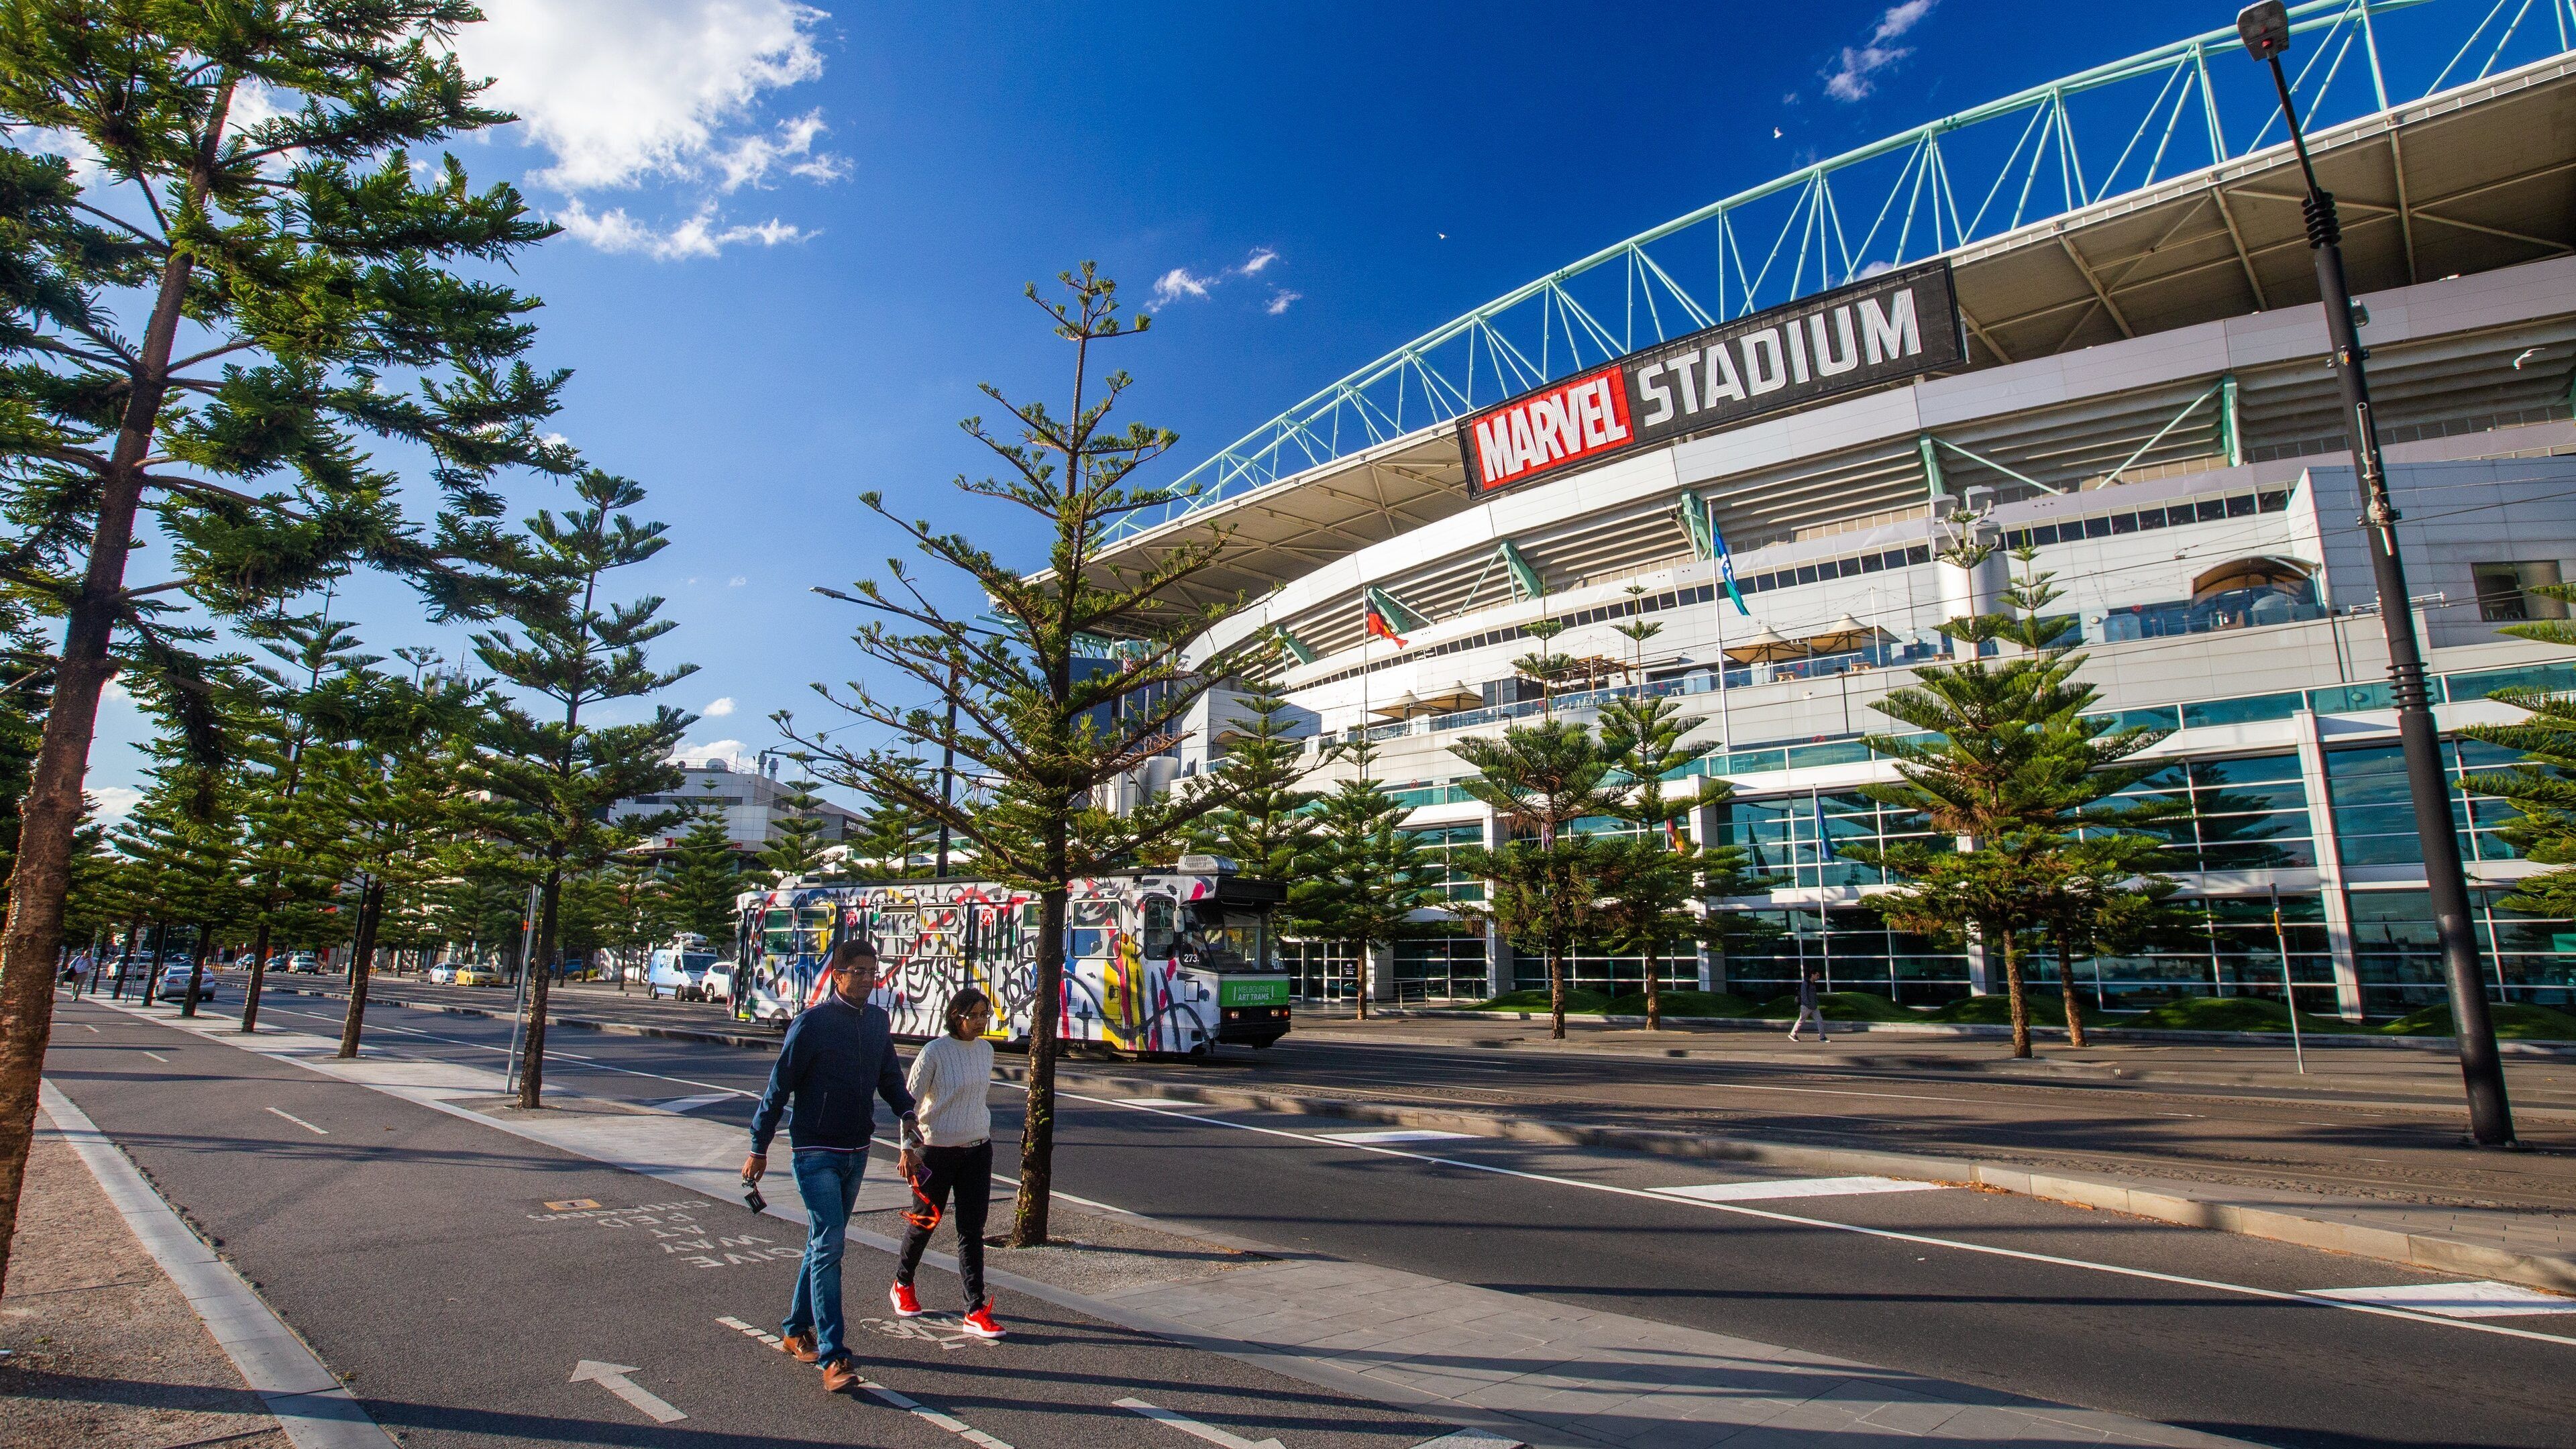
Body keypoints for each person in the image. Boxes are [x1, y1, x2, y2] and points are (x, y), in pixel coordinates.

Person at [743, 939, 918, 1393]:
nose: (866, 978)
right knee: (830, 1244)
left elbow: (888, 1078)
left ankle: (794, 1328)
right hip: (814, 1150)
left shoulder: (878, 1022)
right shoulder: (812, 1024)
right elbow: (778, 1088)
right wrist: (759, 1147)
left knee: (823, 1242)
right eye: (856, 971)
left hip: (857, 1150)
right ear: (836, 975)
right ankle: (835, 1356)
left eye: (872, 970)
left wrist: (908, 1111)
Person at [889, 987, 1004, 1340]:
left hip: (977, 1149)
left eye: (987, 1015)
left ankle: (974, 1309)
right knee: (925, 1221)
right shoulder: (934, 1053)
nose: (984, 1022)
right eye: (978, 1015)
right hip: (935, 1151)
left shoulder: (986, 1050)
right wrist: (907, 1149)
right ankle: (902, 1283)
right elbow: (910, 1105)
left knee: (972, 1230)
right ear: (958, 1016)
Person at [1786, 957, 1829, 1042]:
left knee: (1820, 1020)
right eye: (1817, 975)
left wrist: (1816, 1003)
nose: (1818, 977)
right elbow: (1804, 996)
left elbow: (1814, 995)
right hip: (1806, 1007)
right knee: (1801, 1020)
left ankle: (1822, 1037)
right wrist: (1808, 1004)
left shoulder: (1814, 985)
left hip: (1814, 1007)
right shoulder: (1806, 984)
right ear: (1812, 975)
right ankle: (1793, 1034)